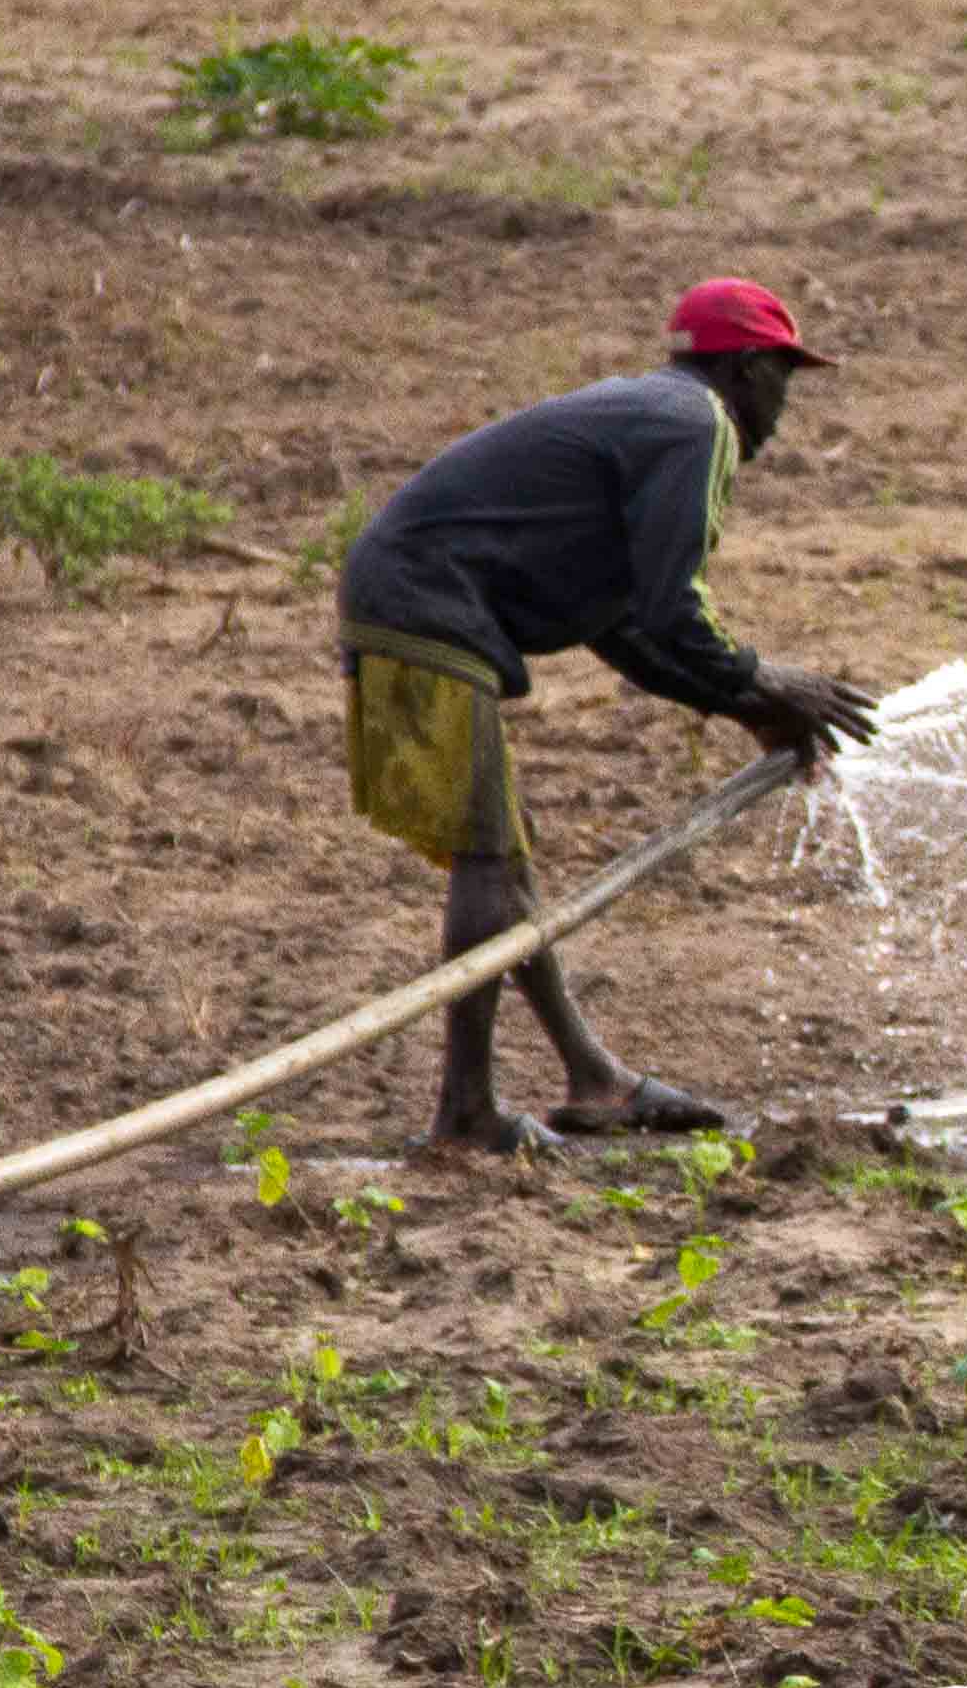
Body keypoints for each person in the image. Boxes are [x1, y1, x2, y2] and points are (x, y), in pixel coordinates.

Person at [334, 278, 880, 1153]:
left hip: (413, 597)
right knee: (487, 861)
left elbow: (623, 625)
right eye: (784, 376)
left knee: (502, 860)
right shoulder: (697, 426)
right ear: (745, 368)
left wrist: (747, 703)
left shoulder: (658, 416)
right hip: (424, 605)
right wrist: (767, 678)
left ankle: (595, 1079)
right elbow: (672, 611)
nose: (783, 408)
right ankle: (465, 1113)